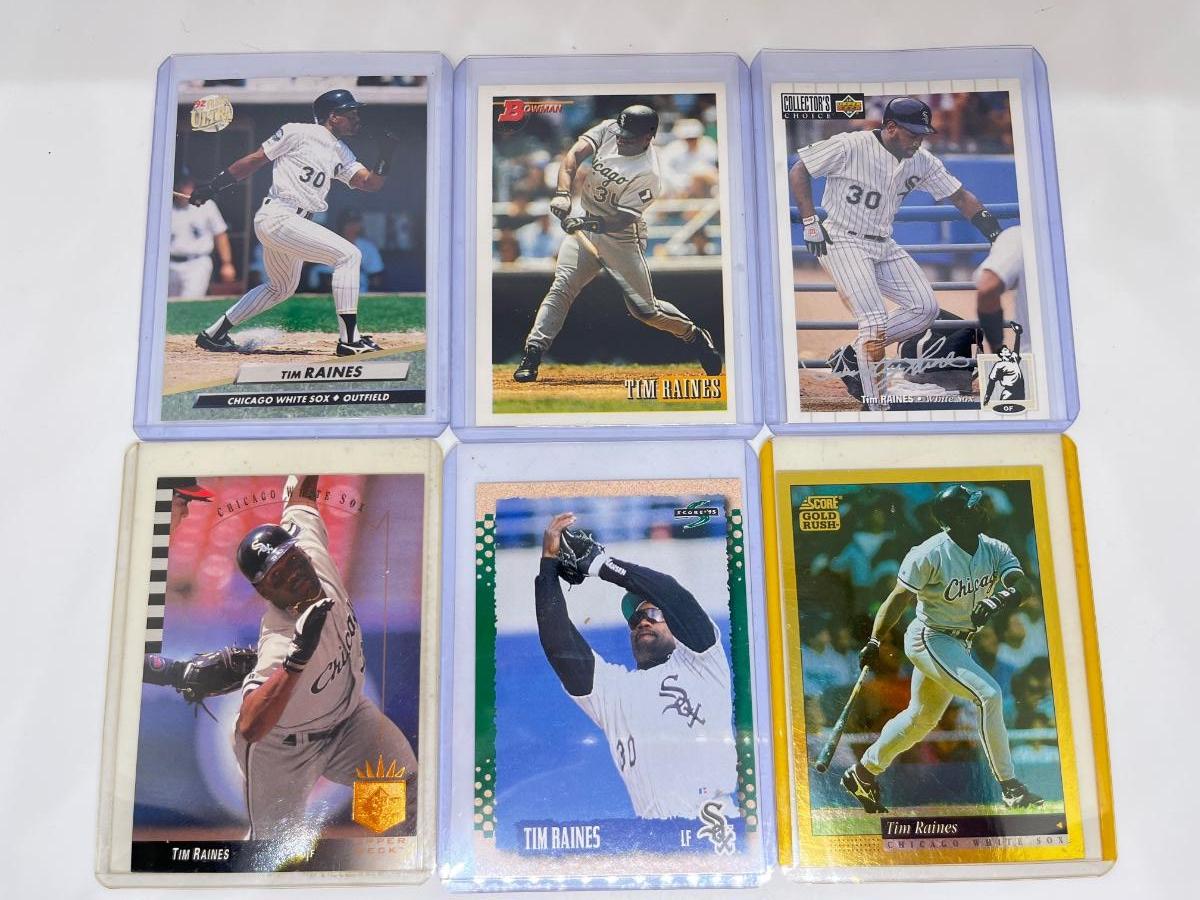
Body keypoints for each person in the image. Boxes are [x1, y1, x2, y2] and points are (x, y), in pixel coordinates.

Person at [789, 96, 1008, 408]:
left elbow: (961, 197)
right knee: (873, 321)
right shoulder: (851, 145)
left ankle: (852, 355)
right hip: (842, 238)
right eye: (912, 133)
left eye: (922, 134)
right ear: (891, 127)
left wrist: (996, 235)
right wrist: (810, 221)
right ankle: (876, 405)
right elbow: (799, 170)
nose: (918, 140)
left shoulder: (921, 160)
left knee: (925, 308)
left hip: (883, 242)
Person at [232, 474, 417, 840]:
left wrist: (323, 447)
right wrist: (295, 662)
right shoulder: (281, 640)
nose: (293, 575)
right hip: (283, 750)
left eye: (291, 560)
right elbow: (250, 726)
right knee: (275, 852)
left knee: (403, 796)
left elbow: (300, 496)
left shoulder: (311, 549)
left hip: (348, 722)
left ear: (300, 550)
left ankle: (390, 860)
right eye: (277, 577)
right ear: (265, 592)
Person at [840, 484, 1044, 813]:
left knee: (920, 719)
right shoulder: (929, 553)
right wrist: (875, 639)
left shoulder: (994, 548)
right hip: (930, 637)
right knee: (989, 695)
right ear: (957, 519)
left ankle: (862, 773)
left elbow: (1024, 585)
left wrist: (998, 599)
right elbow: (898, 598)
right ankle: (1010, 787)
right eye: (973, 507)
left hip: (960, 642)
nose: (982, 509)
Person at [534, 513, 738, 827]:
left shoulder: (703, 663)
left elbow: (672, 594)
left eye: (654, 613)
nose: (643, 621)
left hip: (716, 829)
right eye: (635, 619)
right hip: (657, 839)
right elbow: (558, 642)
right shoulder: (614, 691)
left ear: (675, 626)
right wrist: (548, 566)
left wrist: (601, 565)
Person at [512, 105, 723, 383]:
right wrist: (563, 193)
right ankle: (533, 353)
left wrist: (585, 223)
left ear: (648, 137)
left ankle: (693, 334)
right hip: (586, 224)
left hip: (622, 237)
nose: (621, 138)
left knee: (645, 311)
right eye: (621, 132)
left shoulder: (648, 172)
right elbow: (573, 156)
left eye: (629, 136)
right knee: (562, 287)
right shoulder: (610, 128)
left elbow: (623, 219)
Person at [189, 89, 398, 356]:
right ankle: (349, 340)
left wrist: (385, 156)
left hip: (294, 224)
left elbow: (369, 183)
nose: (357, 118)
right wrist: (214, 186)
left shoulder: (341, 151)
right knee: (349, 255)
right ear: (333, 116)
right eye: (350, 113)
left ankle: (214, 334)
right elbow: (256, 160)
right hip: (280, 215)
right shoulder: (298, 131)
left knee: (281, 288)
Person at [168, 171, 236, 298]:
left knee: (189, 302)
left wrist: (227, 263)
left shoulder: (206, 205)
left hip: (197, 263)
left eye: (187, 184)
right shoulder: (166, 208)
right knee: (169, 304)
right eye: (180, 184)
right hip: (170, 264)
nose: (184, 188)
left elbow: (220, 234)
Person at [307, 209, 386, 293]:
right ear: (341, 225)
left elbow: (377, 279)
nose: (352, 227)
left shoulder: (368, 248)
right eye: (348, 223)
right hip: (331, 294)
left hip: (361, 294)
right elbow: (319, 277)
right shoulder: (329, 245)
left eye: (355, 223)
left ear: (360, 225)